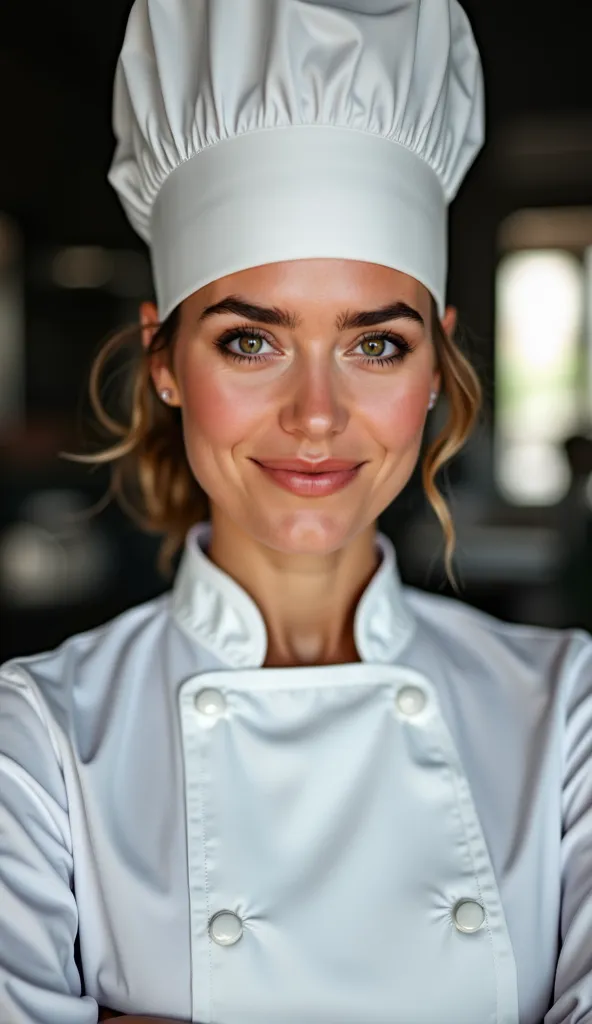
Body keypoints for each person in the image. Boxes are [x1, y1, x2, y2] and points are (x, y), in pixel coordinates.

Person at [1, 0, 591, 1021]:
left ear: (437, 361)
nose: (316, 416)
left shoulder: (568, 710)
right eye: (249, 340)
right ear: (165, 361)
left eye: (376, 344)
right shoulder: (40, 738)